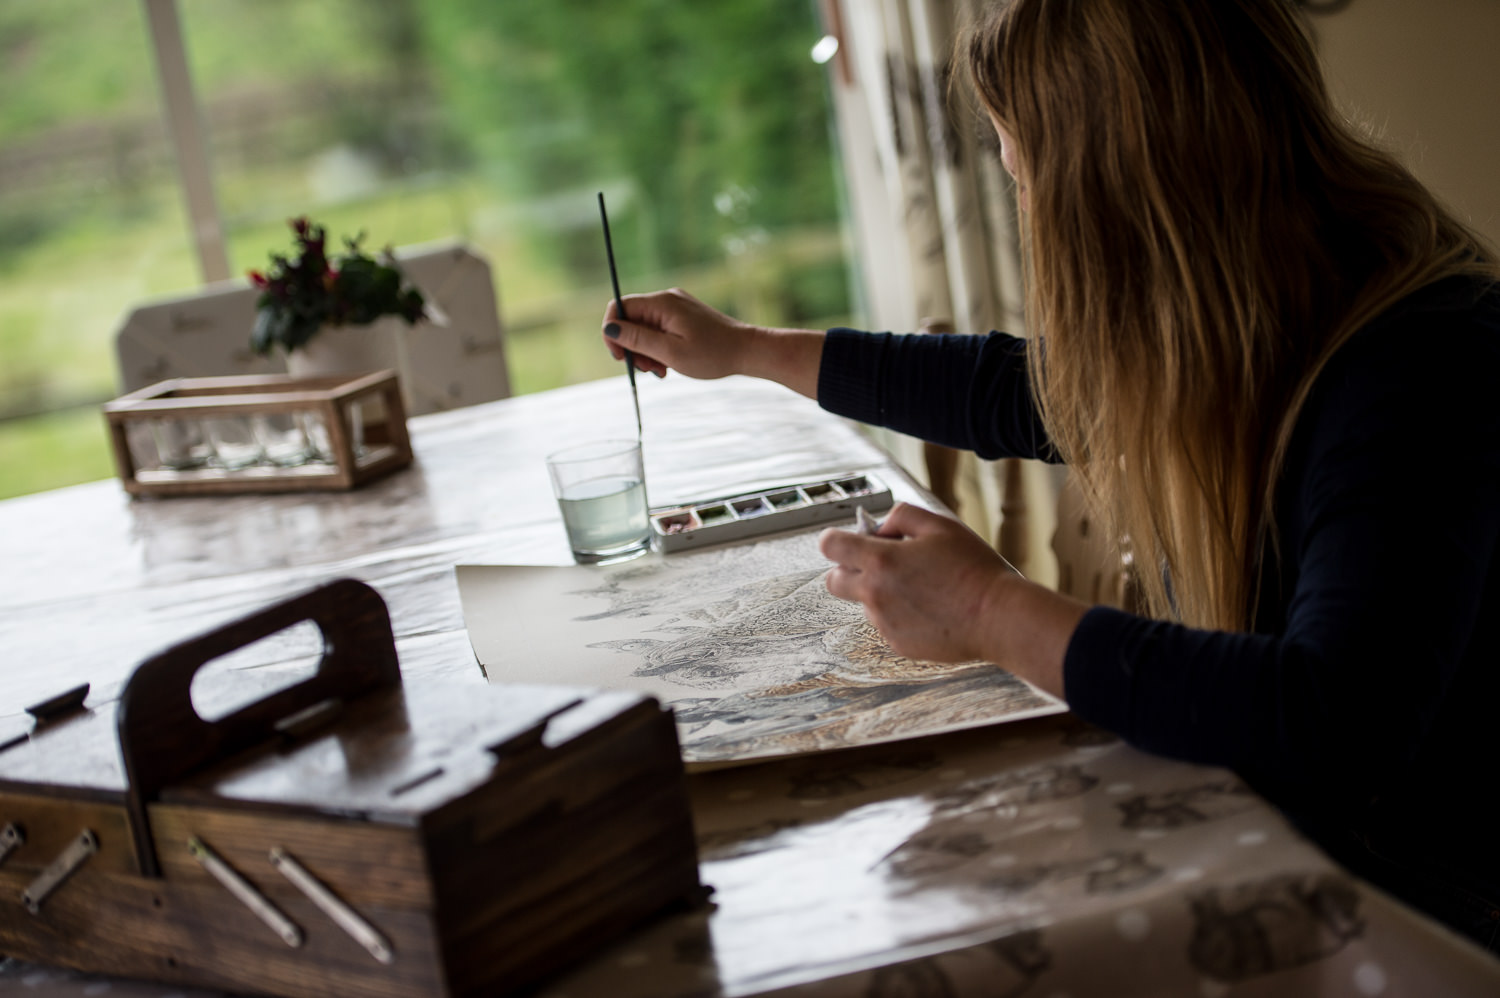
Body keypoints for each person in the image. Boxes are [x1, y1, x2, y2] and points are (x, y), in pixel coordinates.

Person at [601, 0, 1500, 951]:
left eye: (1022, 173)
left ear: (1109, 191)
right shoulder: (1279, 304)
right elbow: (1018, 390)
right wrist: (745, 349)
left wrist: (992, 612)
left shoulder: (1422, 364)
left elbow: (1329, 725)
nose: (1021, 204)